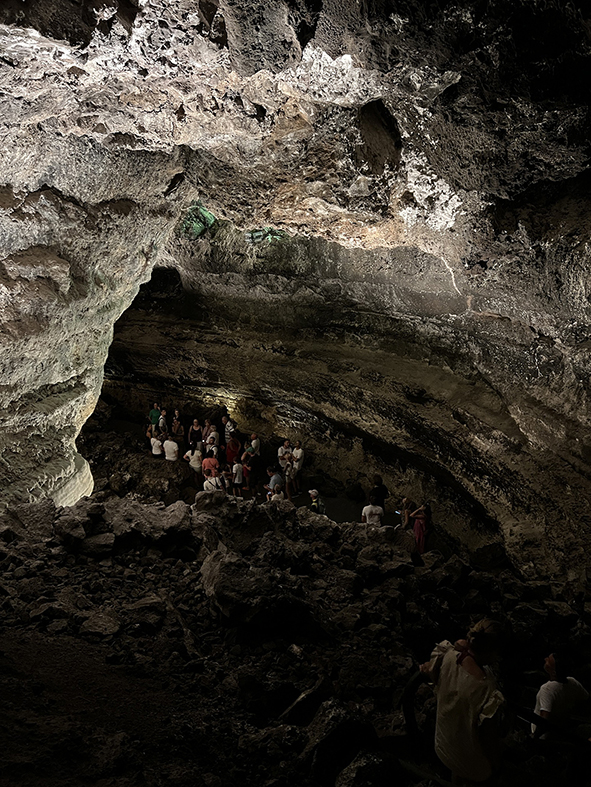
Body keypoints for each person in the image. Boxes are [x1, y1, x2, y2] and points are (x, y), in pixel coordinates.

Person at [420, 619, 505, 785]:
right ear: (493, 652)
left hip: (444, 744)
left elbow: (434, 672)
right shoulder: (486, 690)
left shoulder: (448, 655)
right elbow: (488, 738)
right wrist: (497, 766)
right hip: (471, 764)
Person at [532, 650, 589, 738]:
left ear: (554, 672)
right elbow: (586, 699)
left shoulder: (547, 689)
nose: (545, 659)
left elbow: (543, 719)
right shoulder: (573, 682)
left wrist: (534, 737)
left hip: (546, 735)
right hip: (562, 727)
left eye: (548, 661)